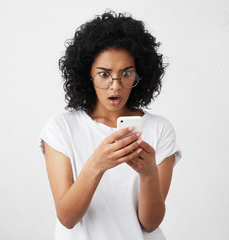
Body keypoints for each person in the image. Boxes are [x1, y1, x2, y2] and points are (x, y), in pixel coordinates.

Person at [40, 11, 181, 240]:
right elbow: (67, 218)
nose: (115, 86)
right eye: (104, 74)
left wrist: (148, 174)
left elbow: (150, 224)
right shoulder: (61, 128)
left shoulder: (159, 130)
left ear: (139, 74)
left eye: (126, 73)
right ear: (88, 74)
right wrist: (96, 164)